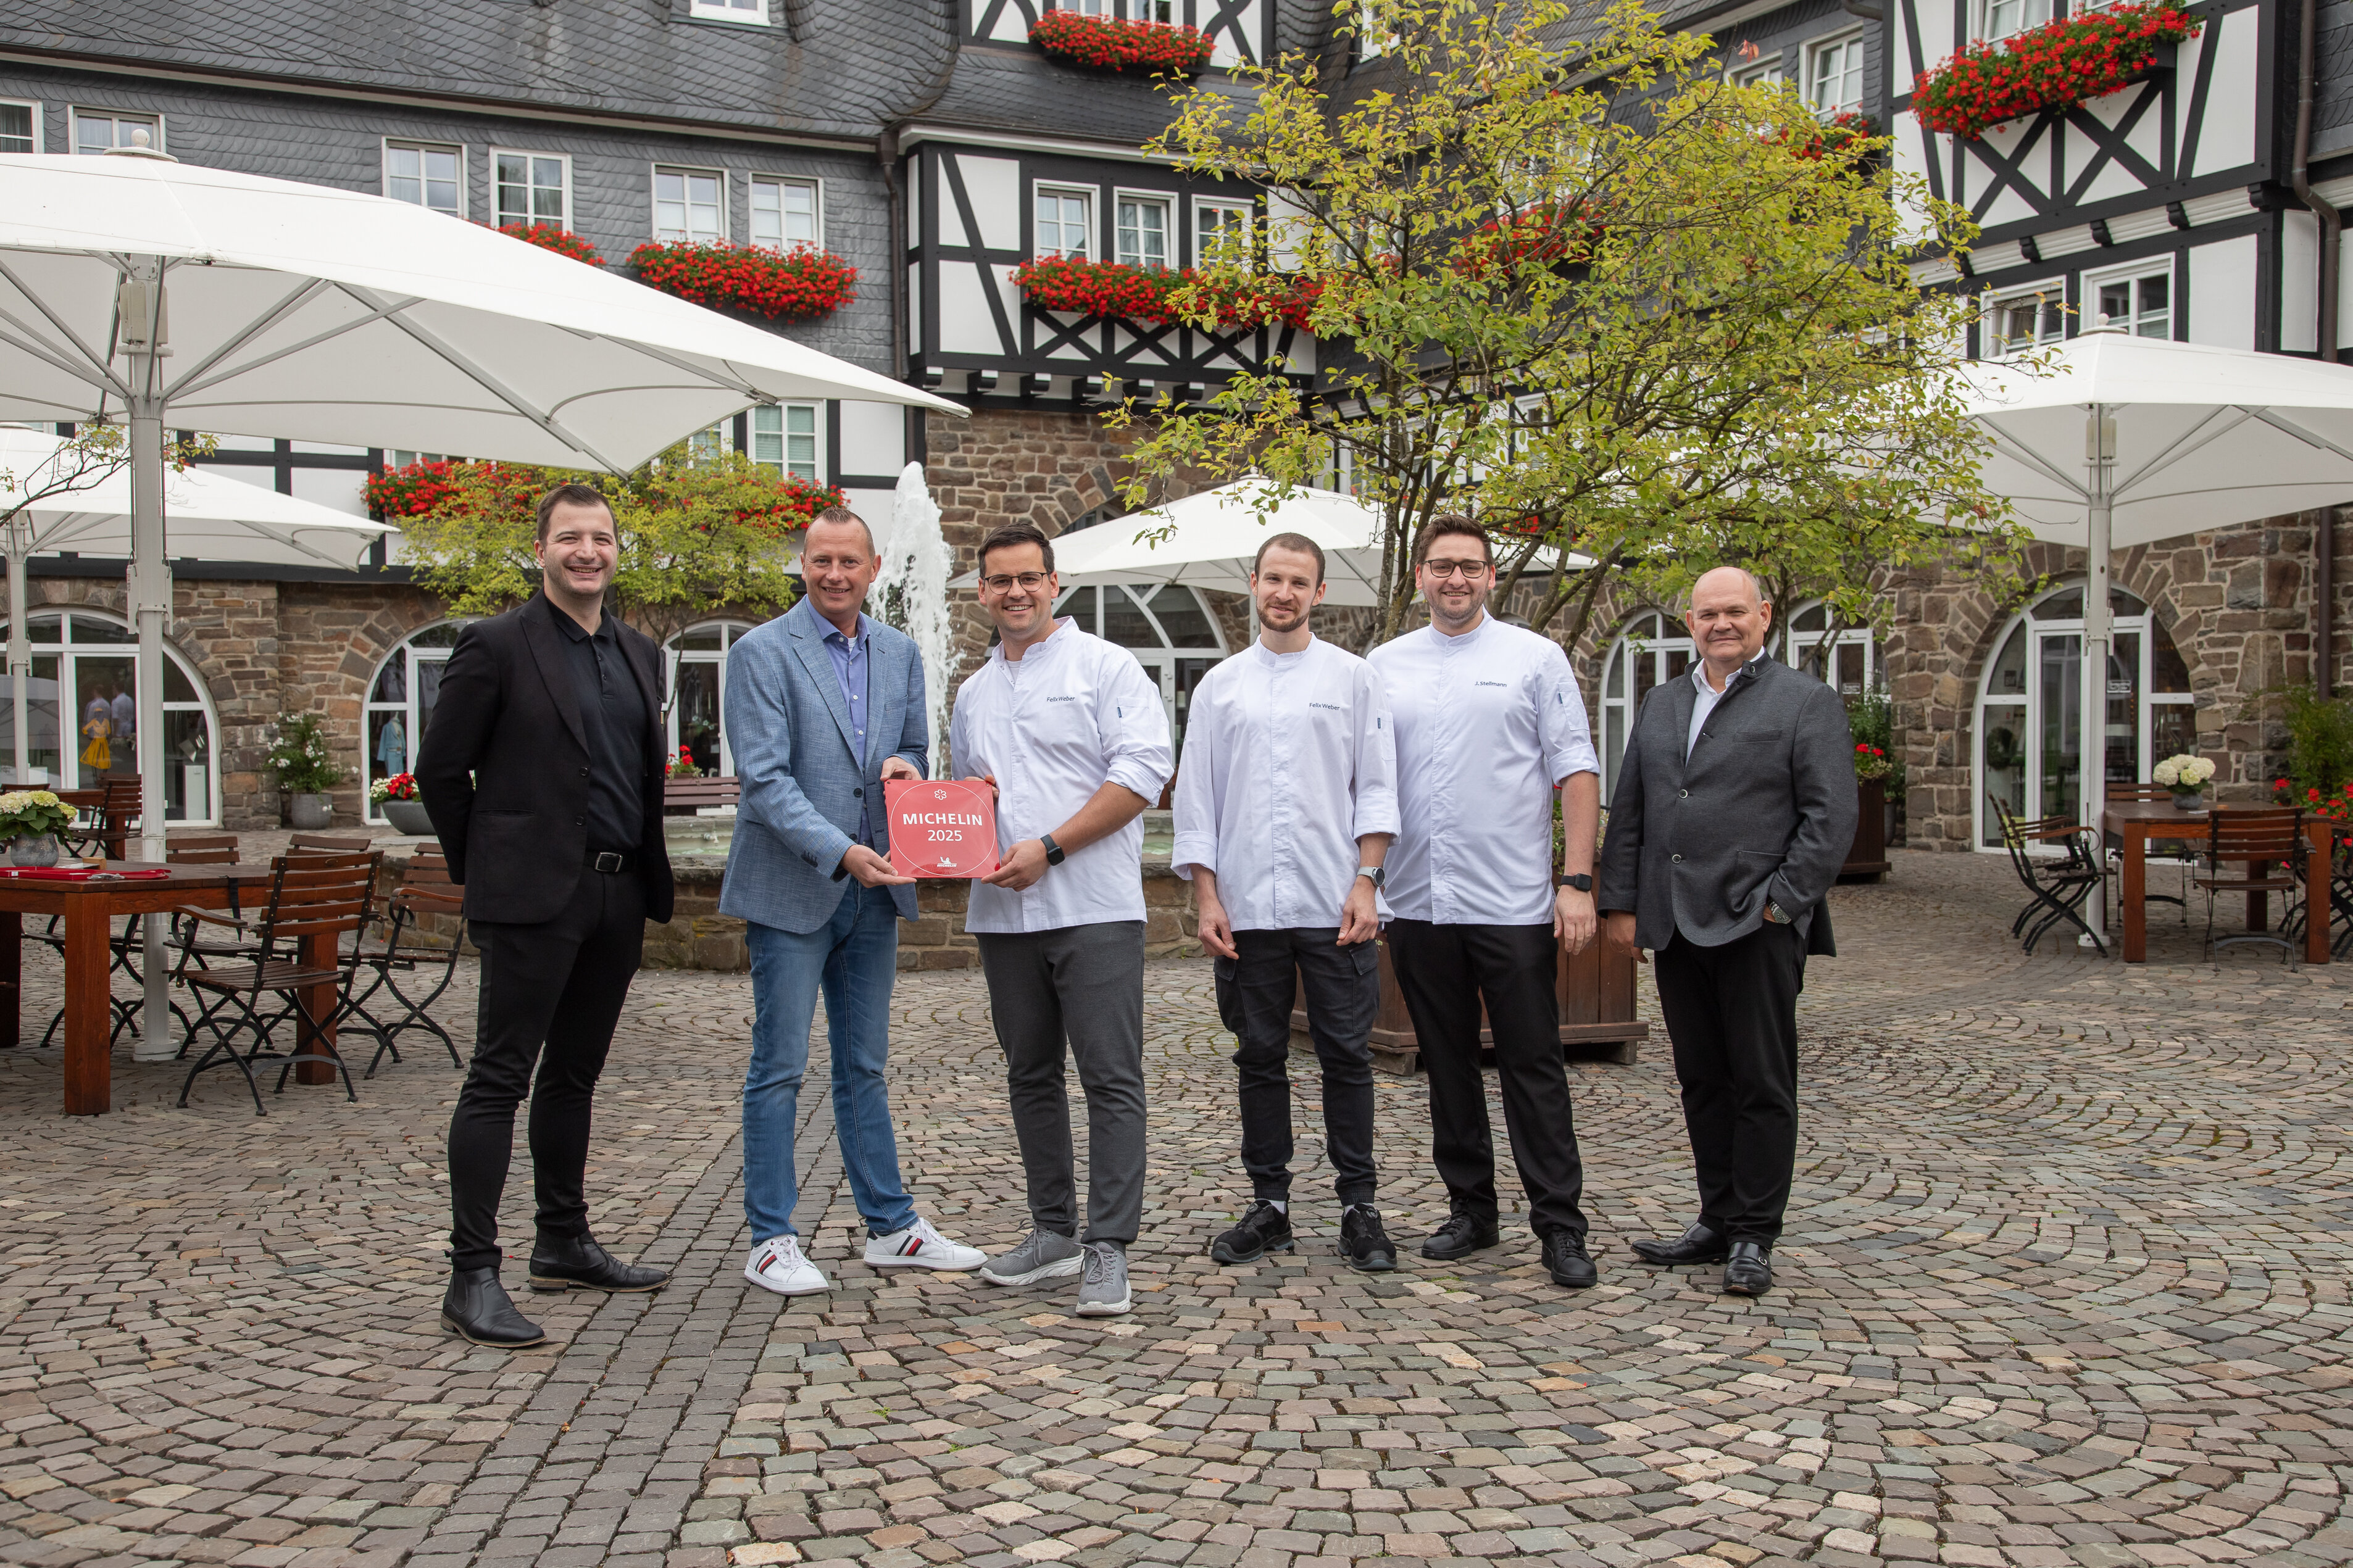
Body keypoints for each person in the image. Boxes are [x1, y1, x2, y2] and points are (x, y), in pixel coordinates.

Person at [417, 481, 675, 1348]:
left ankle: (562, 1242)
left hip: (617, 891)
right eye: (570, 537)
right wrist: (490, 864)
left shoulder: (640, 652)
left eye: (601, 538)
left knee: (574, 1077)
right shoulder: (494, 645)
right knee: (500, 1078)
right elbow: (440, 772)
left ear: (617, 550)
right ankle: (472, 1275)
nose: (587, 552)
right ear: (541, 550)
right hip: (529, 897)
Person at [721, 505, 986, 1296]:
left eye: (849, 562)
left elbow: (913, 746)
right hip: (794, 886)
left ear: (873, 570)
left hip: (877, 893)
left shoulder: (900, 652)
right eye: (820, 560)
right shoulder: (761, 652)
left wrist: (908, 769)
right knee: (778, 1067)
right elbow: (765, 780)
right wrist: (840, 852)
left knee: (863, 1066)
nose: (834, 574)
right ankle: (770, 1240)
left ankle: (892, 1227)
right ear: (802, 565)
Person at [1597, 565, 1854, 1296]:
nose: (1721, 624)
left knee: (1760, 1082)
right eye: (1707, 614)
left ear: (1763, 615)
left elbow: (1830, 817)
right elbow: (1633, 806)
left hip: (1755, 922)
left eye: (1734, 611)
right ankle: (1715, 1218)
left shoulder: (1804, 701)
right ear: (1690, 624)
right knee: (1702, 1081)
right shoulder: (1662, 702)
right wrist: (1622, 903)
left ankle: (1753, 1235)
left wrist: (1782, 903)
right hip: (1676, 922)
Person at [1365, 514, 1604, 1290]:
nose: (1455, 580)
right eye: (1441, 566)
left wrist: (1575, 882)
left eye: (1469, 567)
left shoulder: (1533, 658)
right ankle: (1471, 1209)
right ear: (1420, 576)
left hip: (1511, 902)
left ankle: (1559, 1224)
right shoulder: (1383, 667)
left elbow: (1575, 770)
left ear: (1491, 577)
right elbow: (1365, 780)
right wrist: (1364, 880)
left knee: (1532, 1066)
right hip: (1418, 902)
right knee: (1447, 1066)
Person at [952, 522, 1172, 1317]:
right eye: (999, 580)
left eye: (1028, 578)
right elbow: (966, 798)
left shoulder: (1106, 666)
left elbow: (1143, 772)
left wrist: (1049, 847)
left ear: (1054, 583)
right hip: (1002, 913)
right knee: (1029, 1075)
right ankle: (1053, 1232)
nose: (1015, 592)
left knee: (1110, 1076)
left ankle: (1107, 1244)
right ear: (982, 592)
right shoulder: (972, 693)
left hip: (1094, 908)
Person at [1174, 533, 1399, 1271]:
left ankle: (1358, 1207)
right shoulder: (1220, 686)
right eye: (1273, 578)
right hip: (1246, 906)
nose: (1284, 593)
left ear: (1317, 593)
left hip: (1334, 901)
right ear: (1253, 583)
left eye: (1299, 582)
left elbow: (1377, 785)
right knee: (1258, 1057)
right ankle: (1268, 1204)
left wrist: (1367, 880)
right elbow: (1198, 798)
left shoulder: (1354, 678)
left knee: (1346, 1057)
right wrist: (1207, 896)